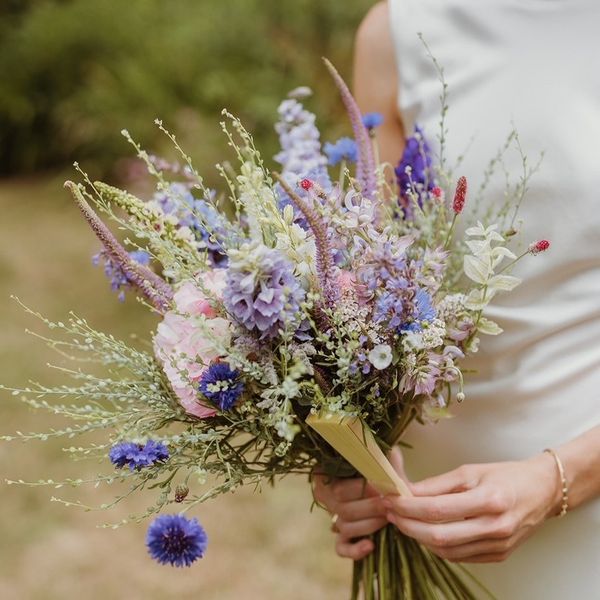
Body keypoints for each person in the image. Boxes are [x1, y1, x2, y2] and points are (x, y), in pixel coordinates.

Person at [313, 1, 600, 597]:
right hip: (431, 514)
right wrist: (351, 453)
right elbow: (371, 277)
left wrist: (559, 480)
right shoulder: (395, 32)